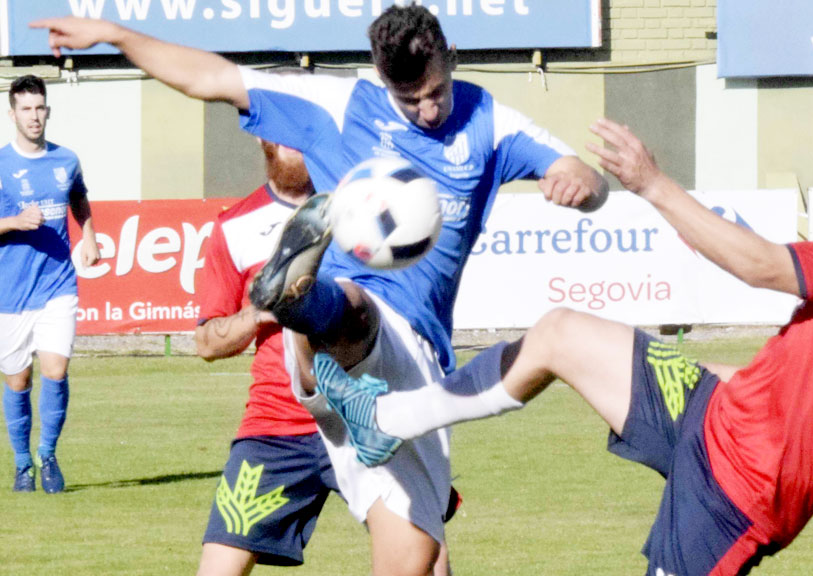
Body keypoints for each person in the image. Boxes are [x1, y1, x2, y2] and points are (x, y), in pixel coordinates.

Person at [35, 6, 607, 575]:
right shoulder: (340, 107)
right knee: (358, 308)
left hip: (413, 373)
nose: (428, 111)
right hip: (347, 328)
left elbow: (585, 176)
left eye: (435, 93)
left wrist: (579, 182)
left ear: (451, 59)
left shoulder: (491, 122)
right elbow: (211, 77)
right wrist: (113, 34)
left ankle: (303, 312)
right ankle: (296, 295)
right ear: (383, 81)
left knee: (414, 562)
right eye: (410, 101)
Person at [314, 105, 813, 575]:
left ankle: (392, 418)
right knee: (560, 334)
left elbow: (759, 265)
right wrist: (697, 367)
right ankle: (388, 420)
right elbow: (804, 376)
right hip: (716, 413)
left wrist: (650, 183)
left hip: (741, 489)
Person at [192, 138, 338, 574]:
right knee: (218, 568)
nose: (301, 141)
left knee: (425, 552)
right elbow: (207, 343)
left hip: (366, 417)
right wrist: (262, 309)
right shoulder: (234, 226)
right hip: (276, 428)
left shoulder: (357, 207)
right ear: (262, 137)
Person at [0, 75, 100, 494]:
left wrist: (90, 234)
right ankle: (23, 464)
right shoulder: (2, 164)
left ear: (48, 111)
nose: (34, 116)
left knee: (56, 370)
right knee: (17, 380)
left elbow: (78, 197)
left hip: (58, 284)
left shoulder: (66, 160)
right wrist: (13, 223)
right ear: (13, 114)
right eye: (26, 108)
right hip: (10, 293)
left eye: (40, 107)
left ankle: (47, 454)